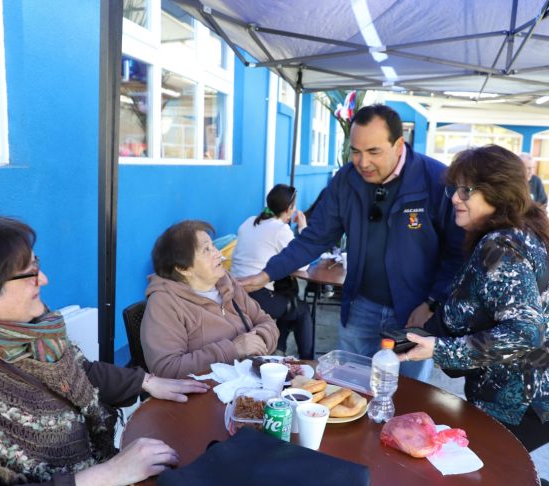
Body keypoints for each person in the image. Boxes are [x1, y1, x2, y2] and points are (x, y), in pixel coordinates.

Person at [0, 214, 209, 486]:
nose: (44, 279)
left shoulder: (27, 328)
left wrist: (147, 382)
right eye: (29, 272)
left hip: (93, 484)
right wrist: (113, 472)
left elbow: (79, 372)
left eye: (37, 264)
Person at [398, 145, 549, 452]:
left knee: (473, 480)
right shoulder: (525, 230)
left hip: (525, 406)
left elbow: (525, 332)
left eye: (466, 191)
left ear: (497, 193)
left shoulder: (501, 247)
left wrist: (440, 349)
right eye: (455, 189)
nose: (456, 198)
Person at [239, 104, 464, 382]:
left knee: (407, 392)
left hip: (414, 312)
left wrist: (432, 303)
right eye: (355, 151)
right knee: (347, 385)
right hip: (360, 306)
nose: (362, 162)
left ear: (398, 145)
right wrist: (266, 274)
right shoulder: (346, 181)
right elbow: (315, 237)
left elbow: (458, 252)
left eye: (373, 151)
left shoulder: (434, 180)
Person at [141, 220, 278, 378]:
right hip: (206, 396)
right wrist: (233, 350)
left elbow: (266, 321)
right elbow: (166, 370)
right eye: (206, 249)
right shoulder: (164, 303)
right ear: (183, 269)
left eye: (213, 246)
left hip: (248, 384)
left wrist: (259, 339)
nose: (218, 253)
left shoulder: (227, 283)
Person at [230, 184, 314, 359]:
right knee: (302, 310)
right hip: (255, 293)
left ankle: (279, 348)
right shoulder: (280, 229)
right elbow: (303, 264)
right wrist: (302, 228)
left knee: (287, 296)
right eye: (294, 206)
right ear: (289, 209)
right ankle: (308, 361)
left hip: (234, 290)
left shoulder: (250, 221)